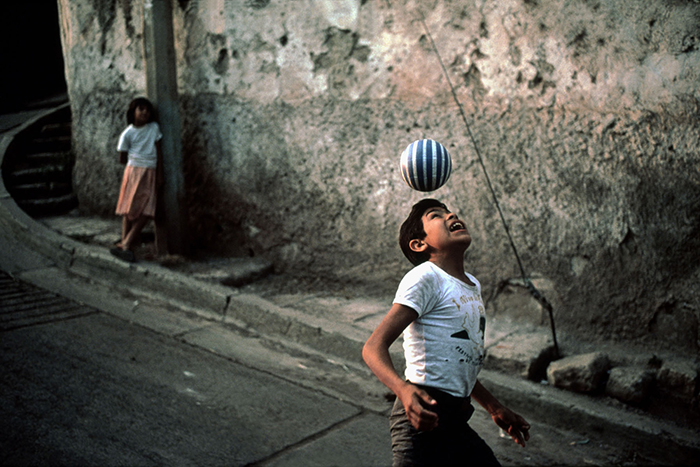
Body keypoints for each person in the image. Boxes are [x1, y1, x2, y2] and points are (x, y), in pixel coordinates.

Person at [362, 198, 530, 466]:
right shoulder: (424, 277)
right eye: (435, 215)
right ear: (419, 244)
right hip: (421, 422)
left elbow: (456, 360)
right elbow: (373, 347)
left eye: (450, 211)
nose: (451, 214)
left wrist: (494, 407)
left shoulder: (471, 284)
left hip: (456, 422)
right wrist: (403, 391)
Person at [110, 97, 164, 262]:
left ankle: (126, 242)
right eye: (141, 109)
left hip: (150, 170)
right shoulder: (128, 133)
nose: (145, 112)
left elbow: (159, 152)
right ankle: (126, 244)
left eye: (147, 110)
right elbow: (122, 157)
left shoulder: (153, 128)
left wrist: (160, 173)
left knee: (148, 209)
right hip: (133, 171)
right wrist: (135, 165)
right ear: (133, 112)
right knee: (129, 208)